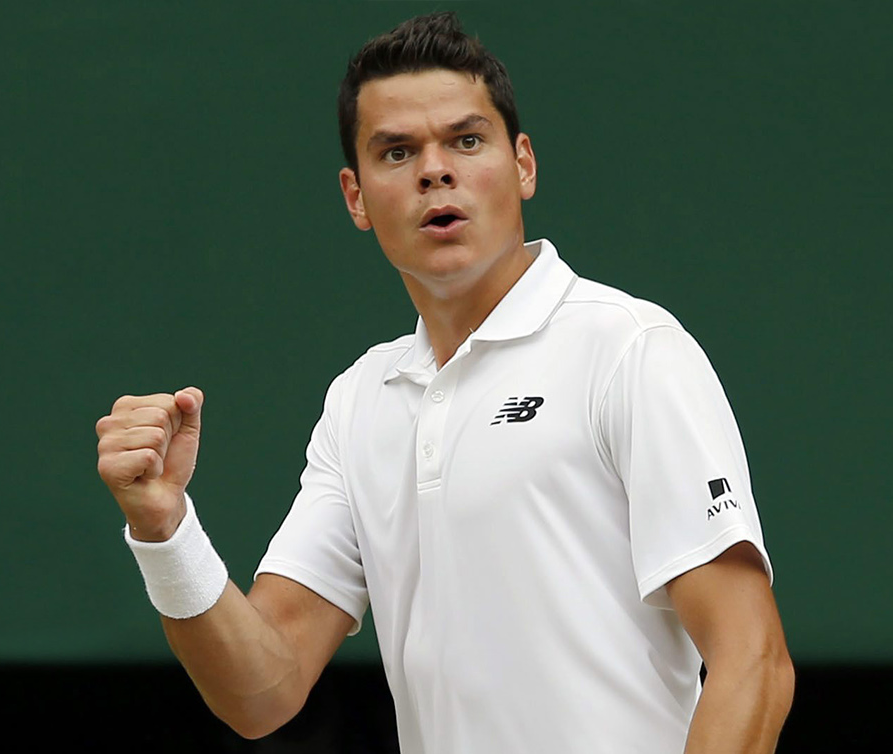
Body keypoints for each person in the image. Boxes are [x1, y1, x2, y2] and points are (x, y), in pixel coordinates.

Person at [94, 11, 793, 753]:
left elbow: (755, 661)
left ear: (522, 163)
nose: (435, 169)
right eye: (396, 152)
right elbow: (262, 691)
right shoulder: (361, 401)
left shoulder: (629, 351)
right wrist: (164, 529)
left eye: (466, 139)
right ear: (356, 197)